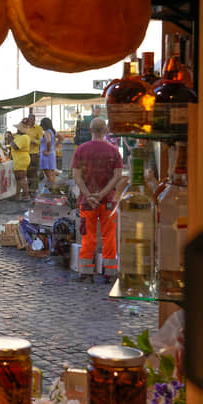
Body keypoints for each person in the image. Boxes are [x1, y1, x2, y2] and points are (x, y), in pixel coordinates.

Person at [72, 118, 123, 283]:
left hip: (87, 202)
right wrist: (102, 195)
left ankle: (86, 272)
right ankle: (110, 272)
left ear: (90, 130)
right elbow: (118, 176)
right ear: (106, 130)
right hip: (108, 201)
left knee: (88, 236)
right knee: (109, 236)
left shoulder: (81, 150)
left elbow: (77, 176)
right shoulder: (114, 150)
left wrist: (88, 195)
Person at [7, 119, 31, 199]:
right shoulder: (20, 136)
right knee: (18, 178)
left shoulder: (25, 137)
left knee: (21, 178)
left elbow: (16, 147)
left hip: (21, 160)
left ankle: (26, 195)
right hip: (19, 159)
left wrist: (10, 140)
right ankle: (17, 195)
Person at [39, 117, 61, 185]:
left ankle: (51, 189)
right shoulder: (53, 131)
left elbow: (48, 141)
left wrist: (48, 150)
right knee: (52, 173)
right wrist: (54, 146)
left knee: (48, 174)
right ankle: (53, 190)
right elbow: (61, 138)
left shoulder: (47, 132)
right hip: (52, 154)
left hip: (46, 155)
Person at [26, 113, 44, 195]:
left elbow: (42, 141)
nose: (30, 121)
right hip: (25, 153)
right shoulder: (25, 127)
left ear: (34, 120)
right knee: (26, 172)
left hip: (34, 153)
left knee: (33, 172)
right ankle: (27, 189)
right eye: (29, 120)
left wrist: (34, 142)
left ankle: (33, 190)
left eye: (31, 120)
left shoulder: (38, 128)